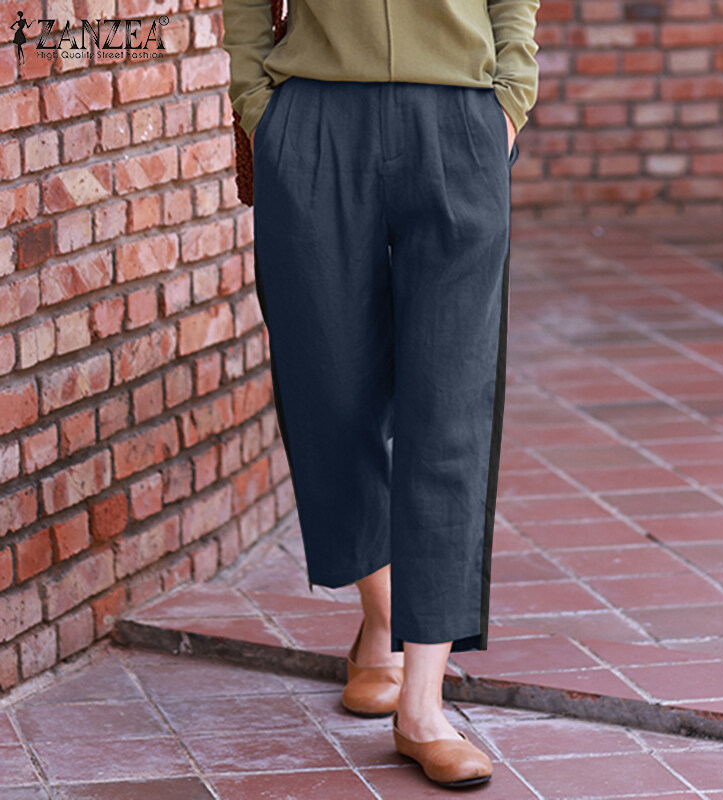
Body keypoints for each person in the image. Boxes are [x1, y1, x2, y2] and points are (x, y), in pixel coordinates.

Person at [222, 0, 540, 787]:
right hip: (316, 124)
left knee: (450, 413)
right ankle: (384, 611)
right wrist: (261, 109)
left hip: (459, 119)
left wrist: (510, 95)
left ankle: (422, 704)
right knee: (326, 397)